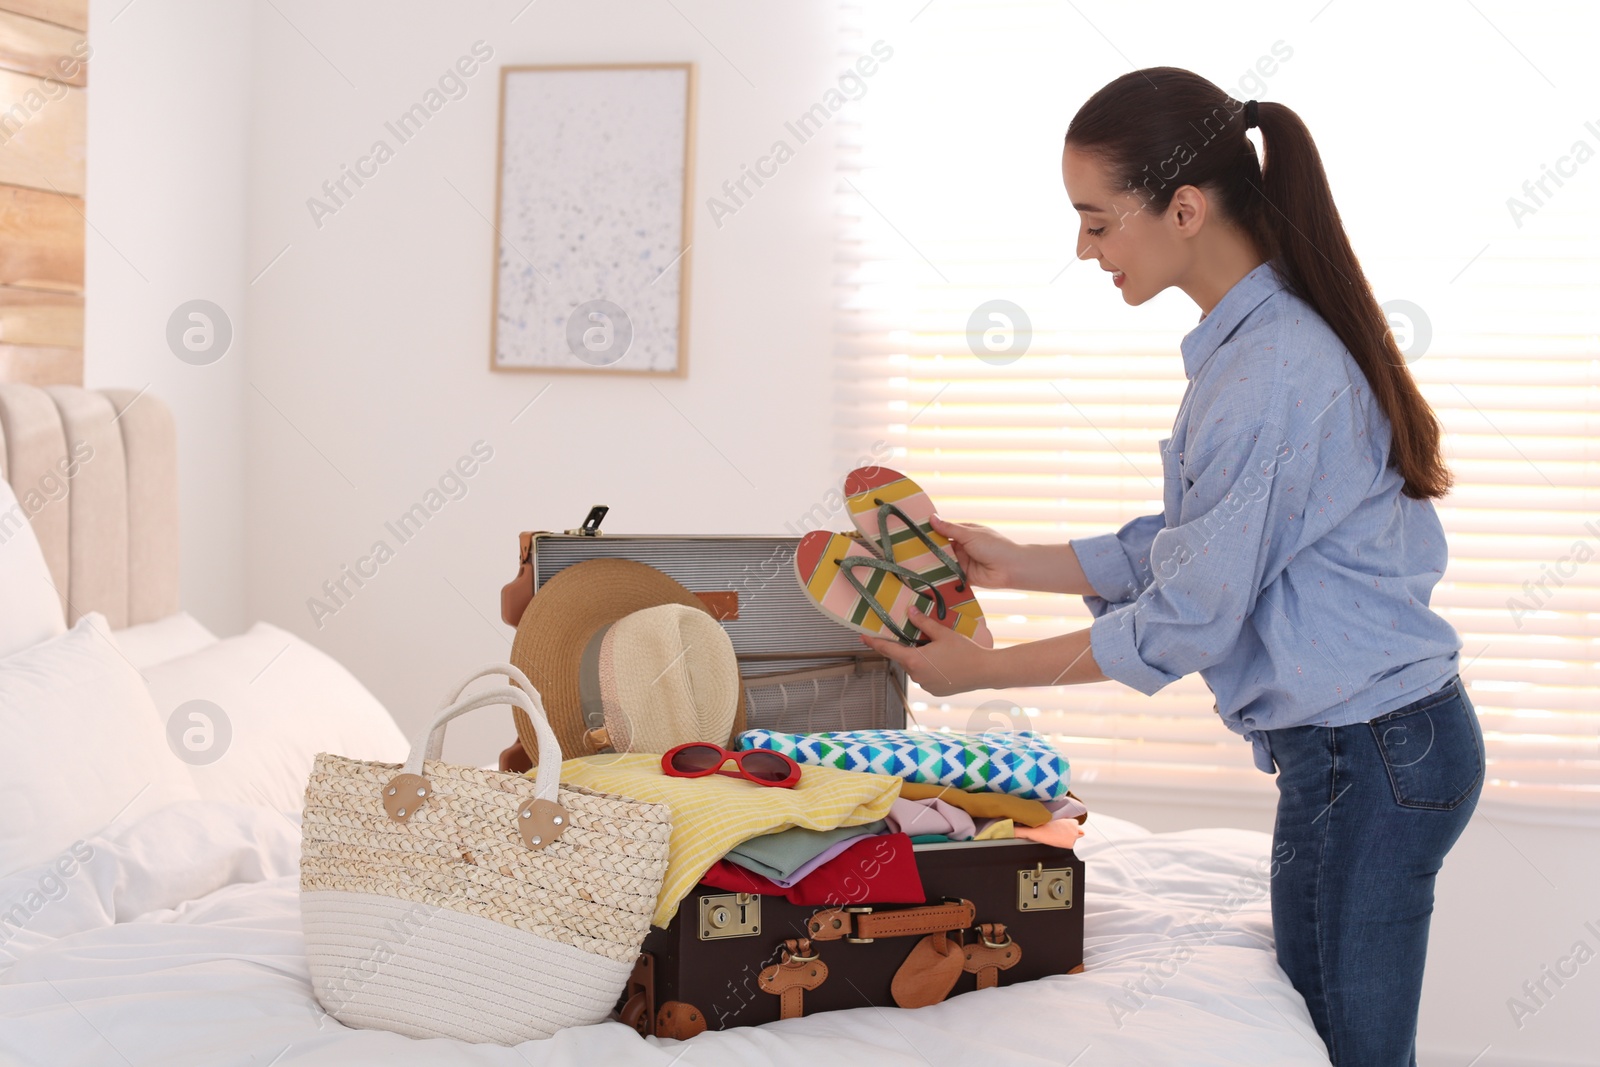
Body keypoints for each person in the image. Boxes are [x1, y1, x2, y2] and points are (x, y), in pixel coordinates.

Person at [860, 67, 1484, 1067]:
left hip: (1372, 755)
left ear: (1183, 209)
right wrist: (1021, 562)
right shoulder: (1253, 347)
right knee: (1327, 1036)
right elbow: (1201, 539)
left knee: (1357, 1050)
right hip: (1358, 750)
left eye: (1097, 221)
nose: (1083, 247)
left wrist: (980, 671)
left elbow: (1191, 612)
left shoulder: (1268, 372)